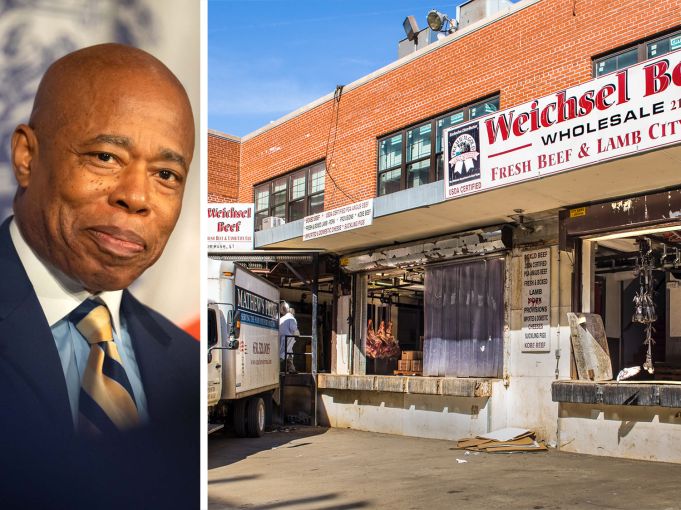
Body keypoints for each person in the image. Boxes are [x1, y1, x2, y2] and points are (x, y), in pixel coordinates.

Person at [0, 43, 198, 508]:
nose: (136, 196)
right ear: (27, 157)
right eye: (106, 157)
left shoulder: (185, 365)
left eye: (166, 174)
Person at [279, 302, 299, 373]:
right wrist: (297, 334)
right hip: (288, 339)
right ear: (292, 313)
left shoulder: (281, 318)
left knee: (289, 354)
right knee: (283, 355)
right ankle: (275, 369)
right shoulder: (292, 319)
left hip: (281, 338)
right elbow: (294, 329)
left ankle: (292, 369)